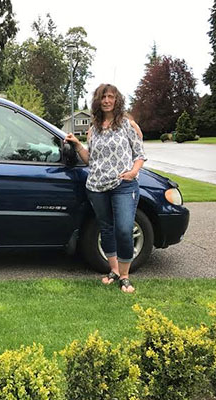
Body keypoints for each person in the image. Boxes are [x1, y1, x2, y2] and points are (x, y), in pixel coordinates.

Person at [65, 83, 146, 293]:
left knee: (124, 228)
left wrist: (133, 172)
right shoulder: (94, 129)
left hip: (123, 185)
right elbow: (91, 160)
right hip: (96, 186)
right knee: (107, 228)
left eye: (111, 97)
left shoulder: (128, 125)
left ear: (117, 100)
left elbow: (139, 154)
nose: (107, 101)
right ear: (98, 101)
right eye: (103, 97)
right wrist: (77, 144)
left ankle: (126, 276)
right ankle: (114, 271)